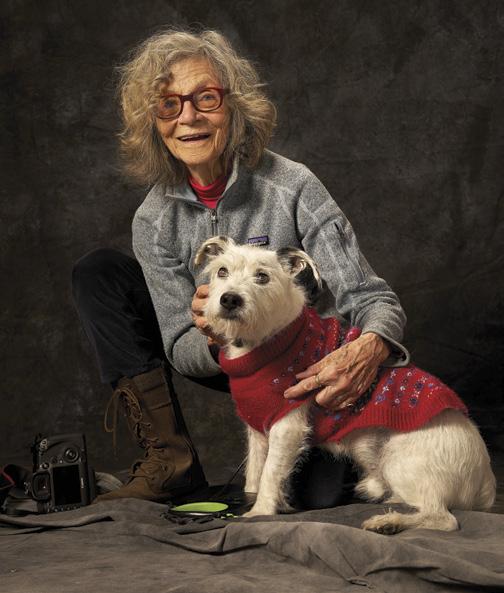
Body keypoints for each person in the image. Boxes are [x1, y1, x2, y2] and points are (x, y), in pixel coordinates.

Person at [72, 28, 409, 505]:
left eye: (206, 98)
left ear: (234, 106)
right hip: (228, 357)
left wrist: (365, 350)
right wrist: (215, 335)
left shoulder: (293, 186)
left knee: (319, 495)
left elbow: (374, 301)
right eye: (168, 104)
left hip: (302, 367)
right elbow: (179, 345)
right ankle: (171, 463)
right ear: (154, 122)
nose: (188, 117)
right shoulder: (153, 219)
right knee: (99, 272)